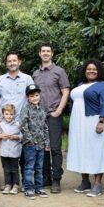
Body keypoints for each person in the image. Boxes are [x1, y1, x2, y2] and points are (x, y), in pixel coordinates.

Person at [66, 59, 104, 197]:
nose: (91, 71)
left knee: (97, 149)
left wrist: (102, 120)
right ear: (85, 71)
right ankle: (85, 181)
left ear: (99, 71)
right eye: (89, 69)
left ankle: (97, 183)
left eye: (94, 69)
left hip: (94, 121)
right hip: (78, 123)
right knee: (82, 149)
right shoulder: (81, 84)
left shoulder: (103, 86)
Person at [0, 51, 34, 190]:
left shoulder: (27, 79)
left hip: (22, 121)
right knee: (7, 152)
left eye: (14, 60)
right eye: (9, 61)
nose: (12, 63)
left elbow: (31, 98)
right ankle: (8, 183)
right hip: (5, 122)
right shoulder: (0, 80)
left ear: (19, 62)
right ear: (6, 63)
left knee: (23, 153)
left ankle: (22, 182)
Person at [32, 44, 70, 193]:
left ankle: (56, 180)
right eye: (43, 51)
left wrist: (59, 110)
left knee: (55, 148)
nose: (46, 53)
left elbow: (65, 92)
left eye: (48, 51)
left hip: (54, 115)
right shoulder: (35, 74)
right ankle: (45, 177)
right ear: (39, 54)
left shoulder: (59, 71)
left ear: (52, 54)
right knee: (42, 148)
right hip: (39, 116)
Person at [19, 84, 50, 200]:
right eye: (32, 96)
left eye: (37, 95)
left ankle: (39, 187)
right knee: (29, 167)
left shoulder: (42, 110)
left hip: (41, 144)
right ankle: (28, 188)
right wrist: (30, 140)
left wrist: (47, 143)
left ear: (39, 96)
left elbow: (45, 127)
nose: (35, 98)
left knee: (39, 167)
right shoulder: (25, 109)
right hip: (30, 144)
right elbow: (23, 125)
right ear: (28, 97)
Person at [0, 104, 22, 195]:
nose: (9, 116)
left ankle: (15, 185)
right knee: (6, 169)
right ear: (3, 114)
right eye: (7, 114)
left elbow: (22, 136)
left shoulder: (18, 125)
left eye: (11, 114)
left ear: (14, 115)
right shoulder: (0, 124)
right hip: (4, 152)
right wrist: (1, 136)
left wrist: (15, 137)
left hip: (14, 152)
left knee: (14, 169)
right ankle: (8, 184)